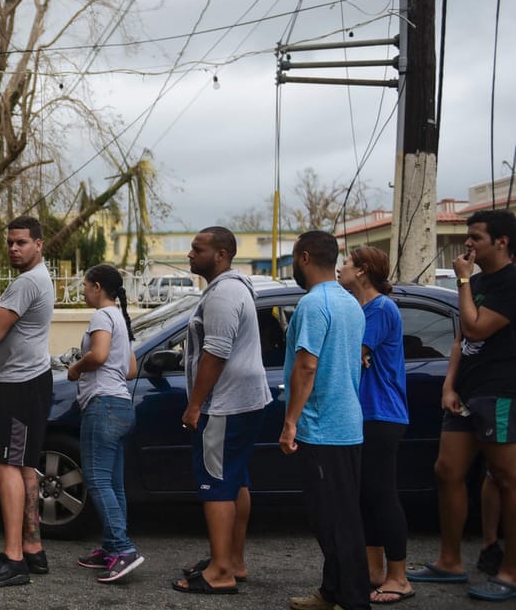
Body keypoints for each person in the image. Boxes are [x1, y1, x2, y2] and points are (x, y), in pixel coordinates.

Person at [407, 209, 516, 601]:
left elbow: (476, 327)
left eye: (476, 237)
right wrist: (449, 386)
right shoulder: (481, 281)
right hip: (467, 393)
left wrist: (464, 280)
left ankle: (510, 572)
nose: (467, 243)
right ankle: (450, 562)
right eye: (467, 236)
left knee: (506, 479)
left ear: (501, 241)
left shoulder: (508, 282)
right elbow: (460, 340)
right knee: (446, 470)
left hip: (500, 391)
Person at [172, 226, 270, 595]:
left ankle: (221, 572)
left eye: (198, 249)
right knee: (235, 481)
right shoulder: (233, 288)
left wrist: (195, 405)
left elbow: (216, 352)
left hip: (225, 405)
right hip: (243, 401)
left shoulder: (224, 295)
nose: (190, 255)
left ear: (222, 255)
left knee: (215, 485)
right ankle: (232, 560)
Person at [279, 230, 368, 610]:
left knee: (335, 523)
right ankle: (331, 592)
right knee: (335, 517)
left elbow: (307, 365)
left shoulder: (314, 305)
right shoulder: (350, 303)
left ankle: (353, 601)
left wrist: (290, 422)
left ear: (303, 258)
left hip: (323, 428)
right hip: (346, 425)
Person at [0, 215, 53, 589]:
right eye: (10, 243)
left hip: (19, 386)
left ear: (38, 243)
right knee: (23, 467)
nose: (14, 248)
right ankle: (32, 548)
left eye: (21, 242)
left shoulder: (26, 283)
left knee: (6, 465)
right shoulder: (37, 279)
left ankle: (13, 559)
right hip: (29, 382)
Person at [337, 245, 413, 604]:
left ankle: (399, 577)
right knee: (366, 495)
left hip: (382, 413)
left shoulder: (381, 308)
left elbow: (355, 354)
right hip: (366, 413)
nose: (341, 269)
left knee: (382, 495)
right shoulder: (364, 308)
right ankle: (373, 571)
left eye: (347, 264)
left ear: (363, 271)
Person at [67, 264, 143, 583]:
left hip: (103, 405)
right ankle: (112, 545)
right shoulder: (120, 319)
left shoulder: (102, 316)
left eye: (85, 286)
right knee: (112, 482)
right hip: (122, 404)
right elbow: (130, 369)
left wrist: (76, 368)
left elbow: (98, 356)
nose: (82, 291)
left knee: (97, 481)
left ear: (97, 287)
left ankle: (123, 550)